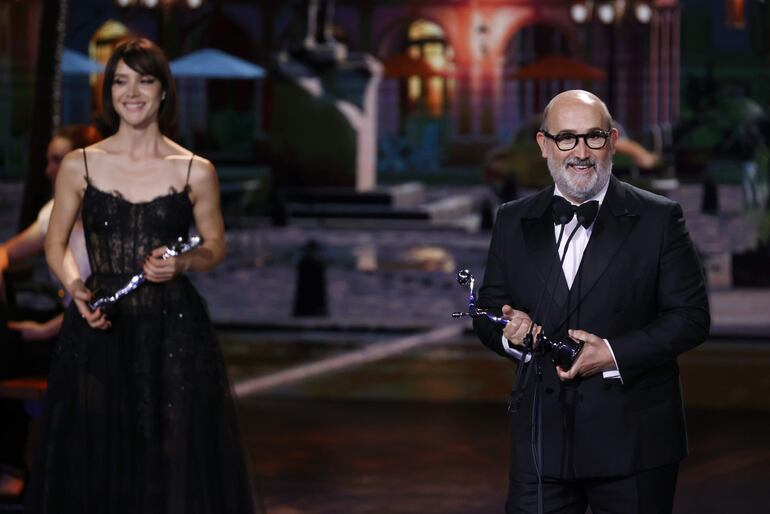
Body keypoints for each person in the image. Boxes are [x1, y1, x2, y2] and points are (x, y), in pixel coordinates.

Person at [25, 38, 261, 513]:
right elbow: (55, 245)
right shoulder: (79, 165)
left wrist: (183, 263)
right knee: (94, 449)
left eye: (144, 80)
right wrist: (75, 287)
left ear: (164, 92)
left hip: (172, 326)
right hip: (98, 324)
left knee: (171, 453)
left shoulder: (196, 170)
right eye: (120, 81)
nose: (131, 92)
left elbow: (215, 246)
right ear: (109, 92)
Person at [473, 90, 710, 514]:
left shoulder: (658, 217)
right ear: (544, 145)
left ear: (613, 141)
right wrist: (512, 335)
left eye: (593, 137)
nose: (580, 152)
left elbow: (691, 317)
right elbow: (490, 309)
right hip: (541, 442)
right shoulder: (512, 218)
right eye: (566, 138)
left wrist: (614, 353)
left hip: (635, 444)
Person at [0, 125, 99, 499]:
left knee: (6, 349)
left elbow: (103, 297)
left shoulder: (103, 216)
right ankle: (9, 465)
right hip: (62, 320)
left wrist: (43, 331)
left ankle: (10, 465)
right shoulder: (55, 209)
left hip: (89, 330)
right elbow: (9, 250)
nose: (48, 169)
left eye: (57, 159)